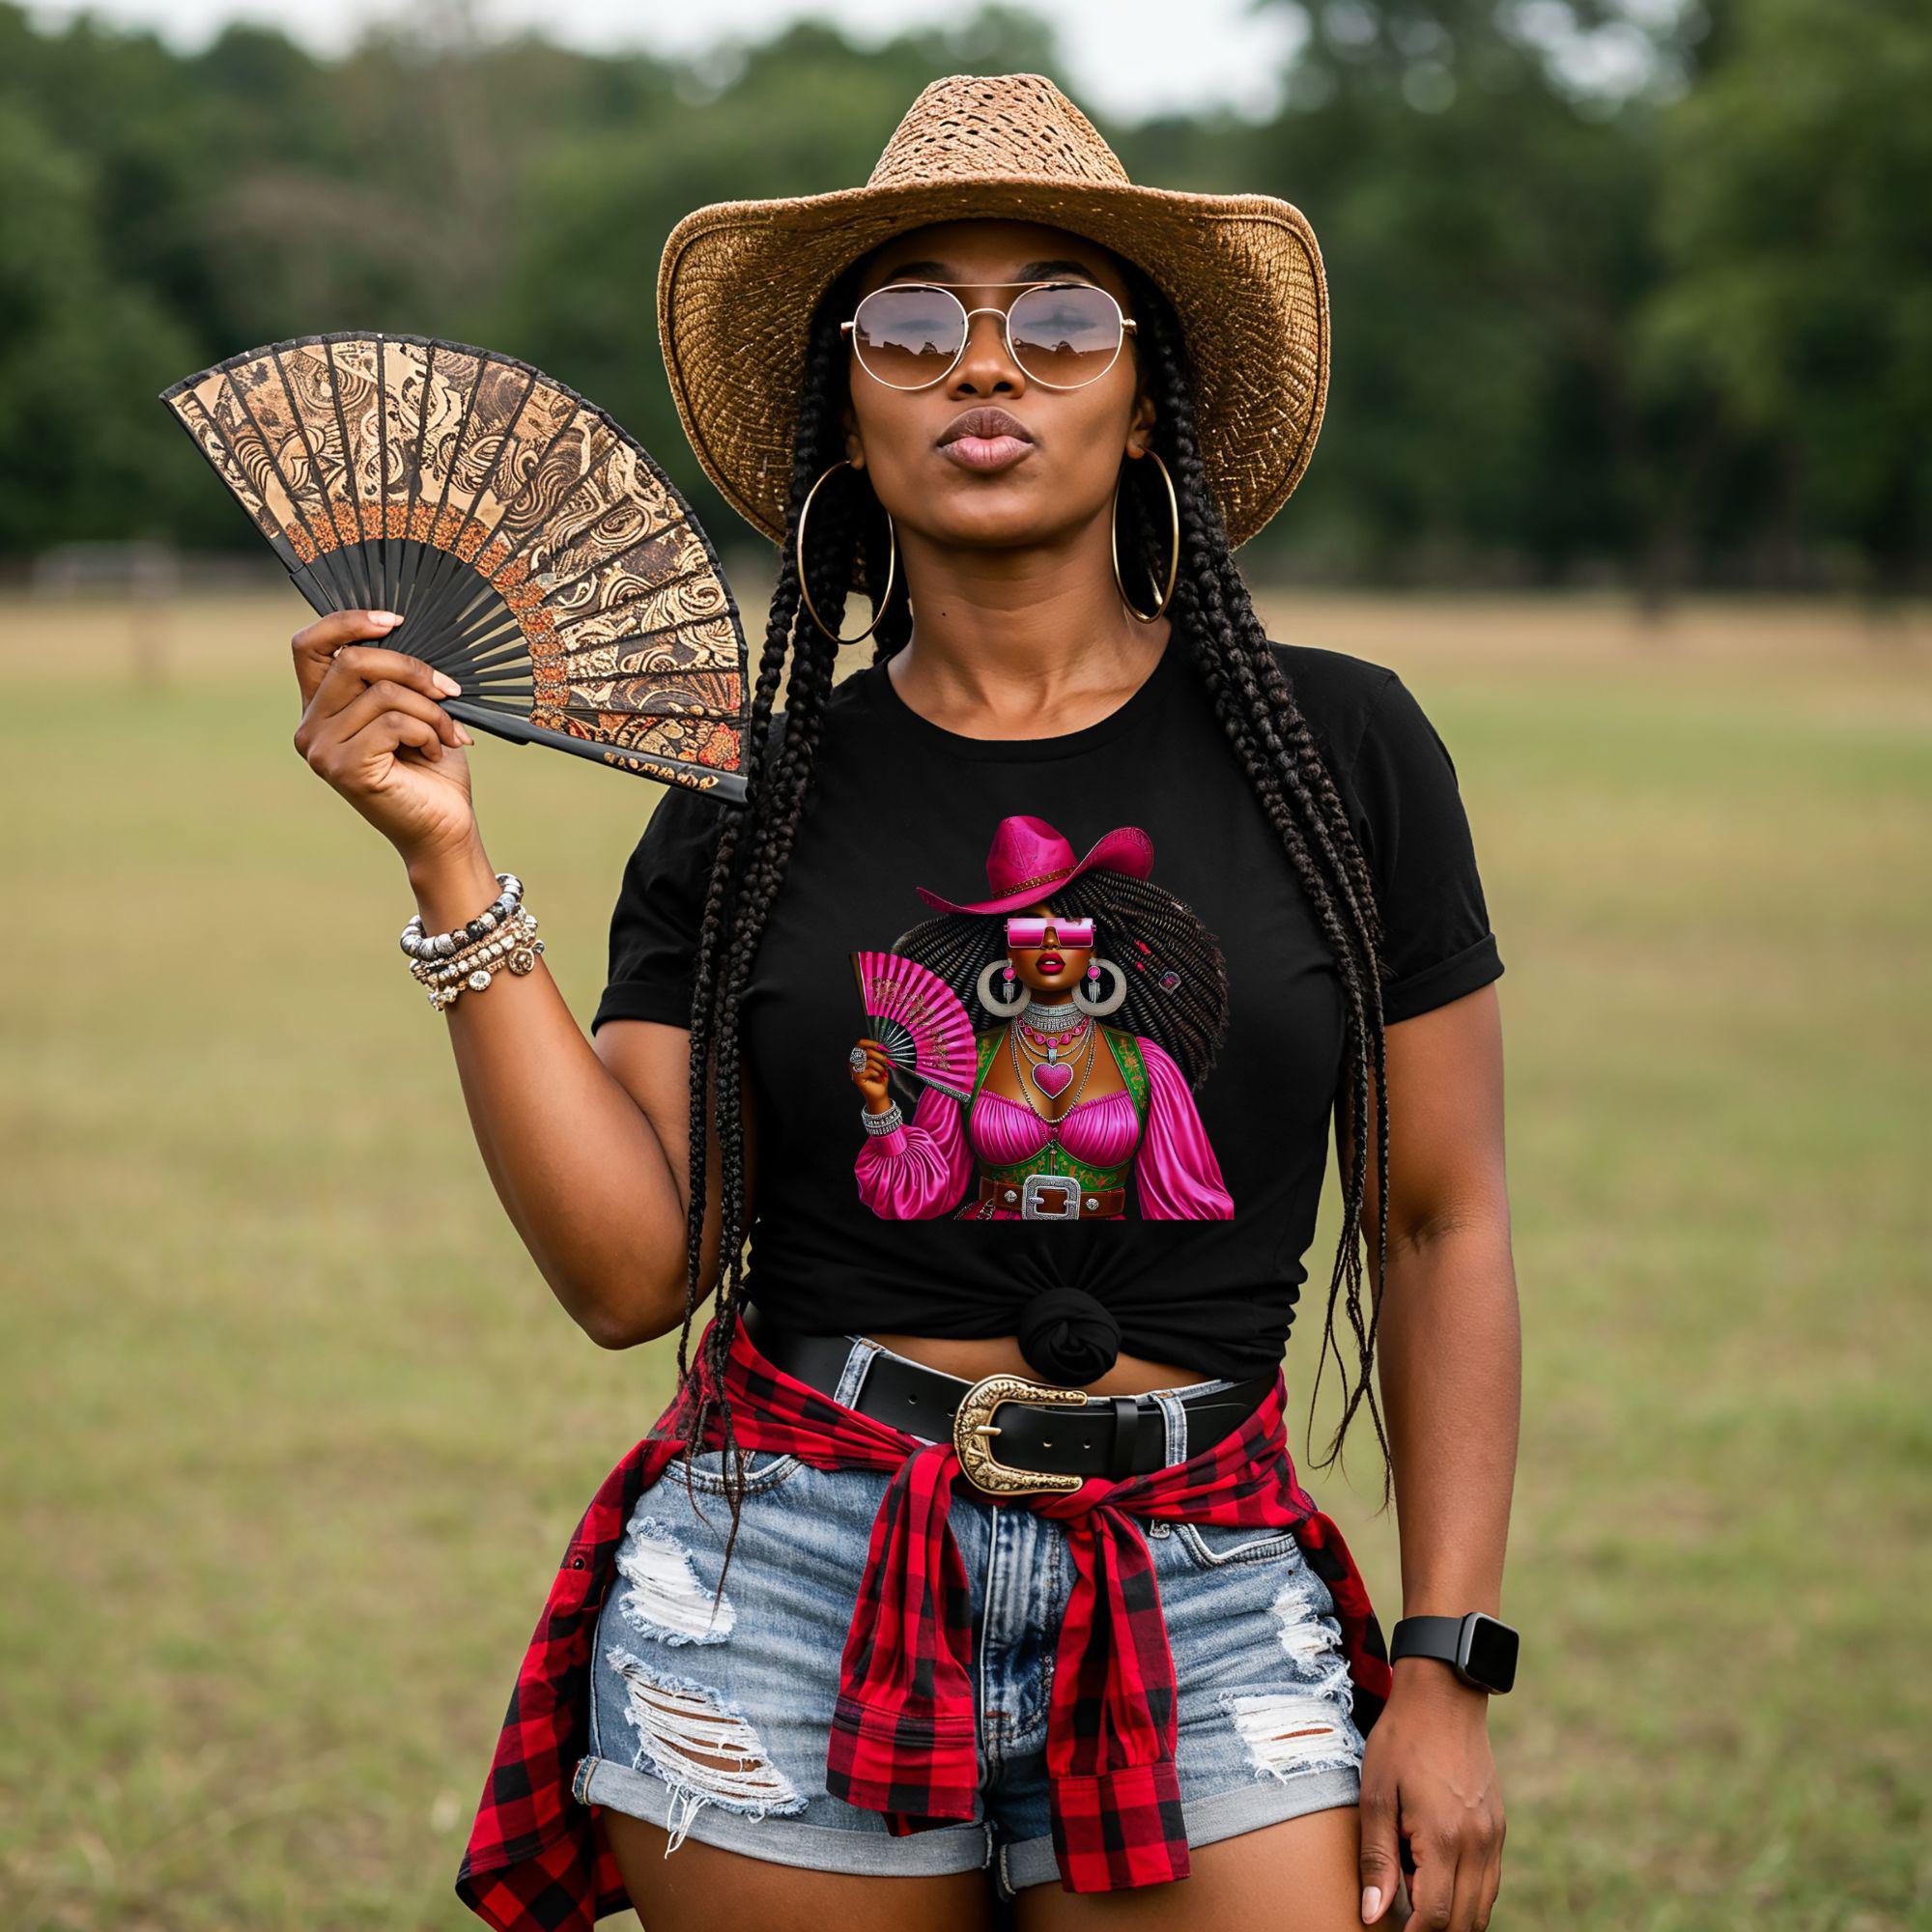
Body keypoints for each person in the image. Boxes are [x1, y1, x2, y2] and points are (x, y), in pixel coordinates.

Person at [288, 70, 1519, 1932]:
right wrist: (449, 862)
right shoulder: (749, 798)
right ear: (846, 412)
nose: (987, 369)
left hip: (1199, 1568)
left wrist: (1443, 1660)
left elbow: (1439, 1219)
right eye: (916, 323)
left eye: (1062, 321)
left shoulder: (1343, 752)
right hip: (789, 1571)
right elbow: (634, 1277)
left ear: (1147, 397)